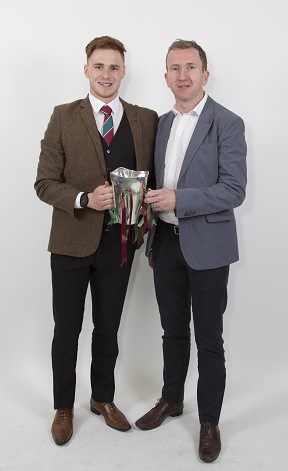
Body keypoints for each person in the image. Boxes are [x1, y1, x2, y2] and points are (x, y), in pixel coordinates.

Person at [34, 35, 158, 446]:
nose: (107, 74)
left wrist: (149, 226)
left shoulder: (145, 119)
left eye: (115, 67)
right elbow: (44, 183)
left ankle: (102, 398)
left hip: (119, 245)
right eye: (99, 66)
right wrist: (84, 198)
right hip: (69, 244)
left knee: (108, 329)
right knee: (66, 330)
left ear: (124, 72)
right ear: (86, 69)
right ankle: (63, 407)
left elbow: (153, 181)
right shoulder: (63, 116)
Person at [135, 39, 247, 463]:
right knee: (172, 333)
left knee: (209, 340)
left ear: (205, 74)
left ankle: (209, 423)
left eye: (190, 67)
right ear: (165, 77)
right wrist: (151, 238)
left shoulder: (228, 123)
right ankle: (171, 400)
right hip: (165, 247)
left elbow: (233, 190)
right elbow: (152, 189)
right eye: (174, 68)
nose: (183, 75)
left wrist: (179, 199)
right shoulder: (161, 124)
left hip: (208, 248)